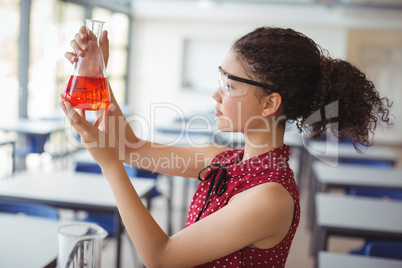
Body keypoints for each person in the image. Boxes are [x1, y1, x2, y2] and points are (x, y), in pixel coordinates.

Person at [61, 26, 392, 268]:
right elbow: (130, 147)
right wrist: (99, 73)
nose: (216, 95)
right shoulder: (225, 160)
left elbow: (161, 258)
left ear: (269, 104)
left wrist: (110, 166)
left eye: (230, 85)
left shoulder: (270, 197)